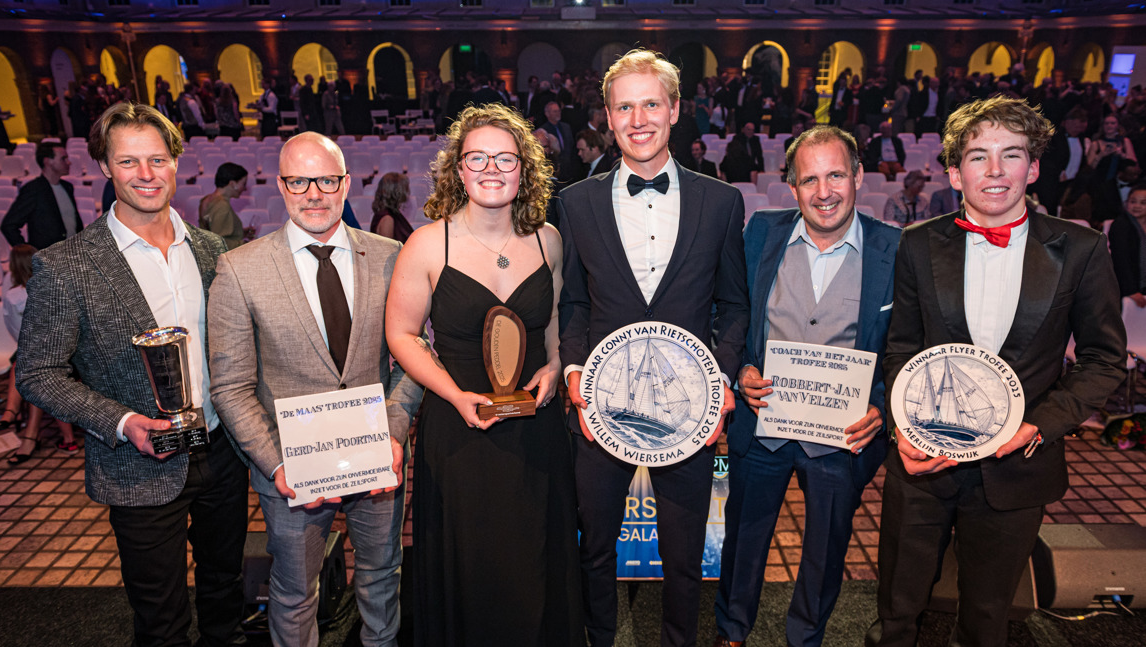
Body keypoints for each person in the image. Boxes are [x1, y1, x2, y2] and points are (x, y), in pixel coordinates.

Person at [867, 96, 1127, 647]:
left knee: (987, 620)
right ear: (954, 172)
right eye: (978, 156)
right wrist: (902, 430)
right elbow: (901, 349)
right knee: (896, 611)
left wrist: (1036, 427)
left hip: (1017, 469)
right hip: (922, 464)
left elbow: (1104, 359)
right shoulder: (918, 243)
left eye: (1011, 155)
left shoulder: (1081, 249)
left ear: (1032, 169)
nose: (994, 170)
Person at [15, 102, 248, 647]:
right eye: (128, 161)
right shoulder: (66, 264)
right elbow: (38, 372)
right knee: (160, 619)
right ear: (104, 166)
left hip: (221, 452)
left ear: (176, 162)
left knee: (226, 594)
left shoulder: (213, 250)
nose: (146, 174)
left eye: (158, 159)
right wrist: (122, 422)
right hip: (137, 464)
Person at [559, 49, 749, 647]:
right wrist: (573, 371)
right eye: (624, 108)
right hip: (601, 406)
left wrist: (721, 380)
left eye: (650, 104)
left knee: (685, 555)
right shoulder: (575, 202)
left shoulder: (721, 202)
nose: (637, 119)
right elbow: (574, 303)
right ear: (608, 117)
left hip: (689, 408)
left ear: (674, 110)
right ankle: (599, 638)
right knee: (594, 547)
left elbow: (734, 304)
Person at [209, 131, 423, 647]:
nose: (313, 194)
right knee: (294, 591)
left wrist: (393, 434)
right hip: (290, 468)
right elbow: (231, 387)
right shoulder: (240, 269)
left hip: (377, 457)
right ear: (281, 186)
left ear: (345, 184)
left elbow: (415, 358)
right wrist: (276, 465)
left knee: (382, 575)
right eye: (299, 181)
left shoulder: (392, 256)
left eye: (326, 180)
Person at [384, 103, 582, 645]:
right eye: (477, 158)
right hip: (459, 428)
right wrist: (454, 394)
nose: (491, 168)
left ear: (524, 169)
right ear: (458, 168)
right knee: (471, 563)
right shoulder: (428, 244)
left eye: (505, 158)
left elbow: (555, 322)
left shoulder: (549, 239)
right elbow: (401, 334)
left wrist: (553, 365)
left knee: (535, 555)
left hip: (536, 428)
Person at [713, 125, 899, 647]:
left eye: (835, 175)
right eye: (809, 179)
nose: (824, 192)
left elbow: (908, 343)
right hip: (763, 423)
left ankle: (805, 639)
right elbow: (729, 311)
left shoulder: (895, 248)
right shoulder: (759, 234)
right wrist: (740, 370)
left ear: (858, 176)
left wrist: (882, 406)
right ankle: (731, 632)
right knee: (743, 541)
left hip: (843, 436)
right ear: (791, 186)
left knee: (825, 552)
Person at [2, 244, 78, 463]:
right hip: (60, 351)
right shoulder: (55, 286)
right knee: (36, 372)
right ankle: (63, 439)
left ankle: (12, 413)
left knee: (29, 367)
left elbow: (14, 330)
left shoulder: (14, 295)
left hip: (52, 353)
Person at [0, 142, 83, 250]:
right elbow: (9, 225)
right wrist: (27, 253)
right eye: (63, 159)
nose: (69, 162)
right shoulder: (33, 189)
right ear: (47, 161)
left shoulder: (68, 187)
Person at [199, 162, 250, 249]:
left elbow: (211, 229)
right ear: (232, 184)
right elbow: (218, 243)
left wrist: (241, 232)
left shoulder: (206, 200)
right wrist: (245, 243)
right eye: (243, 184)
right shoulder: (222, 206)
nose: (245, 188)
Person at [1110, 183, 1146, 308]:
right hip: (1128, 288)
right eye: (1133, 201)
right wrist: (1130, 290)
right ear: (1126, 203)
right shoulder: (1121, 225)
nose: (1137, 206)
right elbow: (1120, 259)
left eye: (1143, 203)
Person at [369, 171, 414, 243]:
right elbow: (387, 249)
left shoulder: (391, 214)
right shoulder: (387, 218)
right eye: (405, 188)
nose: (407, 192)